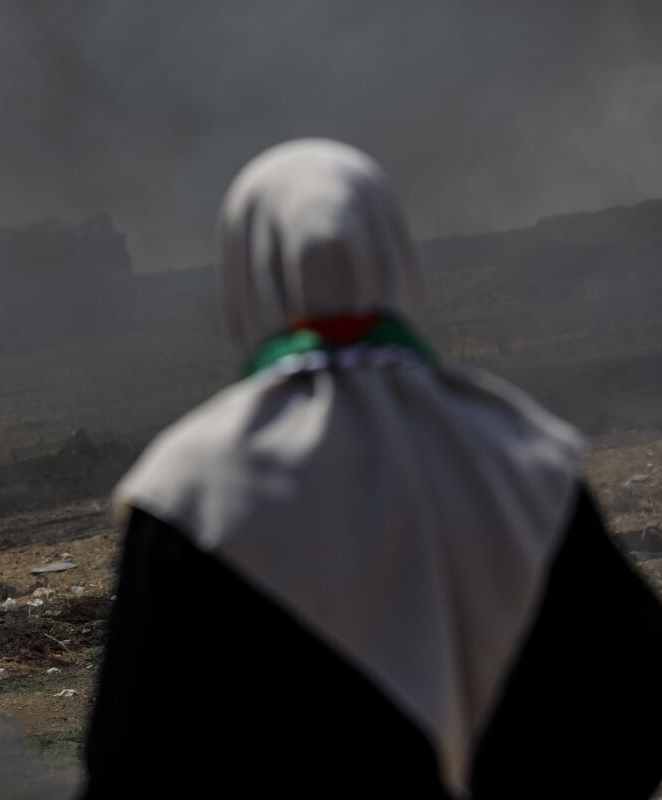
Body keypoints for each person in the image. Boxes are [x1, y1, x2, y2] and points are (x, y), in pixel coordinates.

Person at [83, 140, 662, 798]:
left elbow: (128, 761)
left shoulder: (195, 488)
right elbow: (636, 709)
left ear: (247, 272)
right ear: (396, 254)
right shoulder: (521, 458)